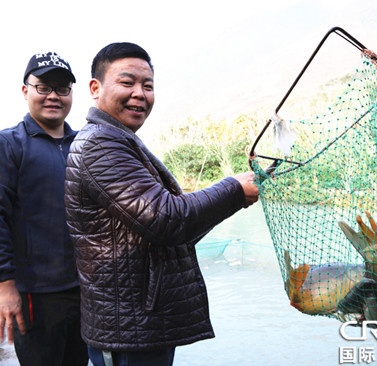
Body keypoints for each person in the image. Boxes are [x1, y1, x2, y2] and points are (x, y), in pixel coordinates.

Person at [64, 42, 260, 366]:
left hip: (140, 326)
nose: (139, 93)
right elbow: (166, 219)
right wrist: (233, 191)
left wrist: (233, 198)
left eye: (148, 85)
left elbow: (173, 230)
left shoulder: (119, 140)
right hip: (127, 330)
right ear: (95, 88)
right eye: (127, 83)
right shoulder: (100, 145)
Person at [0, 51, 88, 366]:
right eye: (43, 87)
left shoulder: (84, 146)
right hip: (35, 295)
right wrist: (4, 286)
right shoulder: (5, 146)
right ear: (26, 91)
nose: (53, 96)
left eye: (62, 89)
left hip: (85, 291)